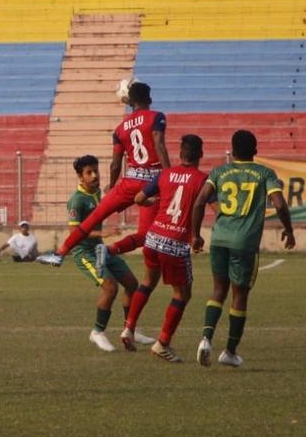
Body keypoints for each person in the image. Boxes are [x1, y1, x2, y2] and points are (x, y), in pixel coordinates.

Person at [191, 130, 296, 368]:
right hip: (244, 243)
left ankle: (206, 339)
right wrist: (289, 230)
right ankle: (229, 351)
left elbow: (199, 202)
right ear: (255, 151)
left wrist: (196, 235)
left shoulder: (219, 171)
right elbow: (279, 203)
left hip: (219, 239)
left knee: (218, 289)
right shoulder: (264, 173)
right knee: (239, 295)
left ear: (233, 150)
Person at [56, 81, 171, 263]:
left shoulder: (120, 129)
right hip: (152, 183)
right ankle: (110, 250)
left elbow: (115, 164)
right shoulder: (156, 117)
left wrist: (112, 185)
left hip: (130, 181)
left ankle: (60, 253)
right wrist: (168, 176)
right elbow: (159, 143)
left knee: (93, 218)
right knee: (145, 234)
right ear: (149, 99)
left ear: (130, 101)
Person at [122, 135, 208, 362]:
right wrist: (197, 236)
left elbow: (139, 198)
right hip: (175, 242)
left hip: (153, 238)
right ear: (201, 155)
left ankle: (128, 328)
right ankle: (163, 343)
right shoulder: (202, 180)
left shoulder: (165, 174)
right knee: (183, 293)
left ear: (180, 154)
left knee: (148, 282)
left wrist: (153, 203)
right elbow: (215, 207)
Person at [60, 155, 153, 353]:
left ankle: (131, 329)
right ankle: (97, 332)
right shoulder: (76, 201)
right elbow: (74, 233)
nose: (94, 175)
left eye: (96, 171)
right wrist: (102, 232)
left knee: (131, 284)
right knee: (110, 288)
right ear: (80, 176)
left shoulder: (97, 194)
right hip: (84, 252)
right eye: (89, 172)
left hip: (100, 248)